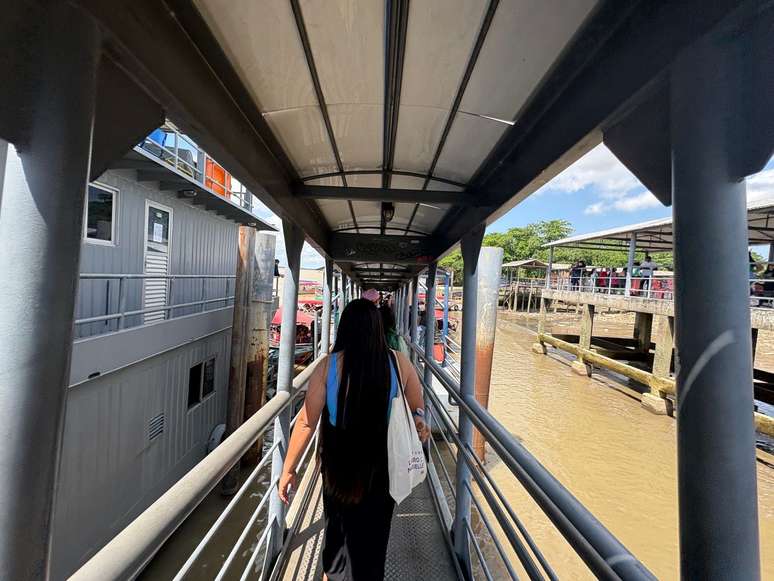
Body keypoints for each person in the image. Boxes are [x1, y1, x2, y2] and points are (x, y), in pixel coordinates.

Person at [278, 299, 429, 580]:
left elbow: (307, 421)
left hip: (339, 463)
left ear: (343, 328)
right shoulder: (399, 362)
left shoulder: (327, 367)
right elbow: (416, 405)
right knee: (374, 540)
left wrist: (288, 469)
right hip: (383, 464)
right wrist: (419, 419)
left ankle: (333, 574)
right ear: (377, 330)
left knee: (337, 533)